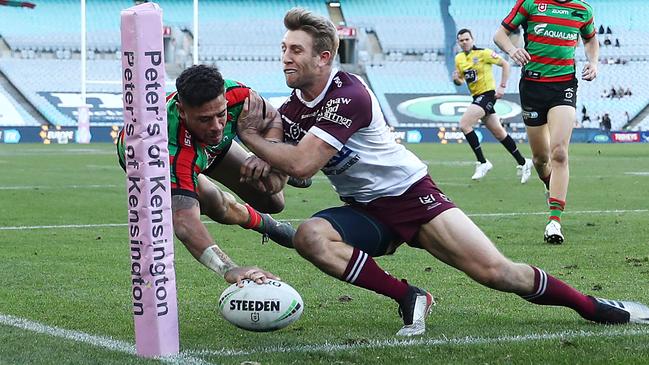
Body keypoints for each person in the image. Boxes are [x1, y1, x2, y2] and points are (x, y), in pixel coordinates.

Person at [236, 7, 649, 337]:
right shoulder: (291, 110)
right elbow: (289, 183)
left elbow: (304, 163)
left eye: (295, 50)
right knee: (311, 236)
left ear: (323, 57)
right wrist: (265, 162)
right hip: (365, 209)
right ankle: (409, 296)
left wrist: (251, 138)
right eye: (284, 48)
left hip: (413, 197)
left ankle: (595, 307)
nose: (285, 57)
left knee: (498, 273)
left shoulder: (349, 92)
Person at [118, 65, 296, 286]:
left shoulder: (238, 96)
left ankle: (280, 185)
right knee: (216, 204)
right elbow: (185, 223)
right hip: (155, 158)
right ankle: (263, 224)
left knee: (273, 200)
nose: (216, 126)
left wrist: (268, 151)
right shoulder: (169, 151)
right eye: (204, 119)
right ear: (182, 111)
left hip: (208, 147)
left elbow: (273, 120)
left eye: (221, 114)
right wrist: (229, 269)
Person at [494, 0, 600, 244]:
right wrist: (512, 50)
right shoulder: (530, 3)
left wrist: (593, 62)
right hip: (532, 87)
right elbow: (499, 34)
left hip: (564, 86)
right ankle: (548, 185)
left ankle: (554, 222)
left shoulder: (582, 9)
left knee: (560, 153)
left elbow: (590, 39)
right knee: (541, 159)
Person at [452, 28, 532, 182]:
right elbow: (461, 80)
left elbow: (505, 64)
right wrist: (456, 80)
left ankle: (482, 162)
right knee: (499, 133)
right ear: (458, 42)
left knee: (464, 124)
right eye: (461, 40)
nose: (464, 42)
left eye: (466, 39)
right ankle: (524, 162)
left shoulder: (483, 53)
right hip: (477, 97)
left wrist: (502, 86)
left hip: (487, 95)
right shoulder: (459, 58)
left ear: (472, 39)